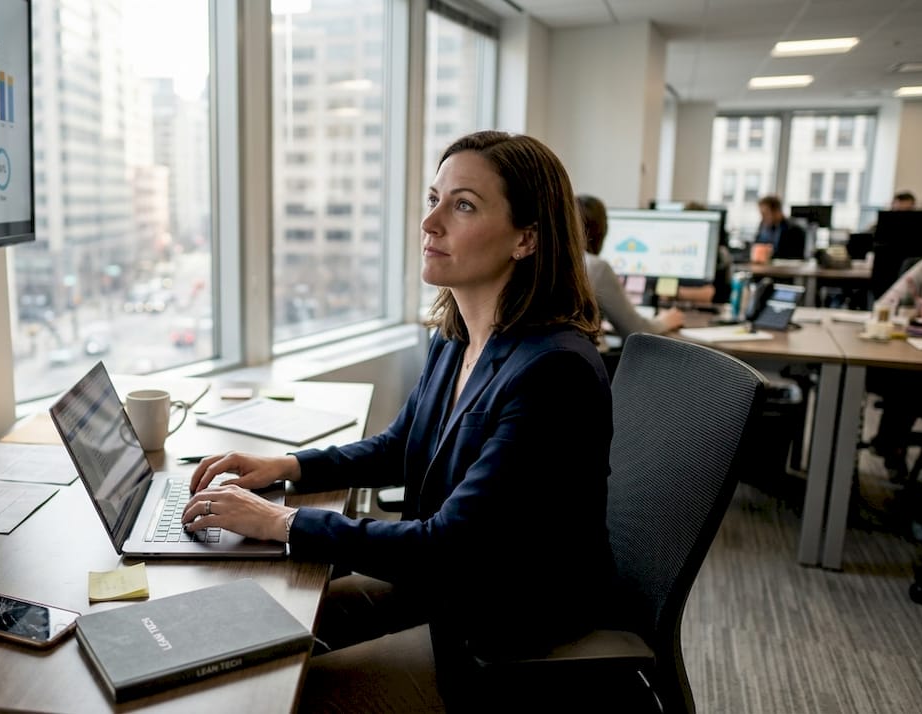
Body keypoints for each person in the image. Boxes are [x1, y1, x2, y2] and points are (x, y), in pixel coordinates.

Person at [181, 131, 615, 711]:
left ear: (526, 239)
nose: (430, 222)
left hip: (498, 635)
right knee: (239, 637)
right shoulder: (457, 337)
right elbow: (399, 445)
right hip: (443, 591)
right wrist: (282, 466)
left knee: (273, 693)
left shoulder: (553, 372)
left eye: (463, 205)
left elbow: (448, 548)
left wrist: (279, 522)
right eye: (434, 199)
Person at [577, 193, 685, 338]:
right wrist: (666, 321)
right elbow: (636, 329)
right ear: (602, 231)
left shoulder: (554, 263)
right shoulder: (597, 267)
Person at [869, 255, 922, 482]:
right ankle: (892, 447)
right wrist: (912, 307)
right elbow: (886, 302)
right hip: (919, 354)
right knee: (907, 379)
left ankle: (891, 443)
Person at [755, 195, 808, 260]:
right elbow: (757, 245)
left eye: (765, 214)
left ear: (777, 211)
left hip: (785, 267)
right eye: (761, 214)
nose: (763, 218)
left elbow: (796, 256)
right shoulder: (763, 226)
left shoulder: (794, 230)